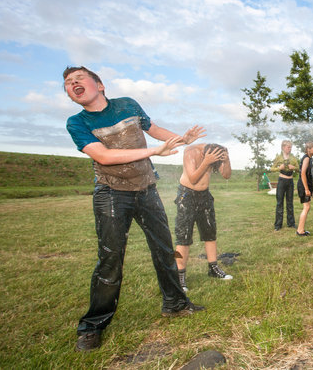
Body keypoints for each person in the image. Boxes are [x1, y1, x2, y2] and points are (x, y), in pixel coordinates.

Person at [63, 66, 205, 352]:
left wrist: (181, 139)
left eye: (79, 78)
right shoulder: (76, 122)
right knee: (110, 259)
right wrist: (155, 151)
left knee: (165, 249)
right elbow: (103, 156)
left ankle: (175, 303)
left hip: (146, 188)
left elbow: (152, 130)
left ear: (99, 84)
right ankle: (92, 326)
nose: (73, 84)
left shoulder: (127, 104)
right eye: (67, 83)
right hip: (112, 193)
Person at [175, 143, 233, 292]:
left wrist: (226, 161)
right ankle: (179, 275)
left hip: (204, 195)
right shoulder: (191, 151)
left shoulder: (219, 153)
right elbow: (193, 178)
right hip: (186, 195)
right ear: (205, 153)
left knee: (210, 233)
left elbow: (226, 175)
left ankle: (213, 268)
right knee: (184, 235)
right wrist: (207, 161)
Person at [271, 140, 299, 231]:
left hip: (290, 181)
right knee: (279, 203)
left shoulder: (293, 158)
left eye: (291, 147)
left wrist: (294, 168)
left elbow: (299, 169)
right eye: (288, 147)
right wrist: (279, 168)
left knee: (290, 203)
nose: (290, 149)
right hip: (281, 181)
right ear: (283, 147)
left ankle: (291, 223)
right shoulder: (278, 157)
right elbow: (272, 169)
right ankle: (278, 225)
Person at [297, 141, 313, 236]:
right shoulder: (306, 159)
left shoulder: (310, 158)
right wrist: (306, 189)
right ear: (308, 149)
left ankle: (300, 230)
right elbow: (303, 173)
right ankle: (300, 231)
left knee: (307, 207)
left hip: (306, 186)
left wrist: (311, 189)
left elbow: (309, 175)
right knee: (306, 207)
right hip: (303, 186)